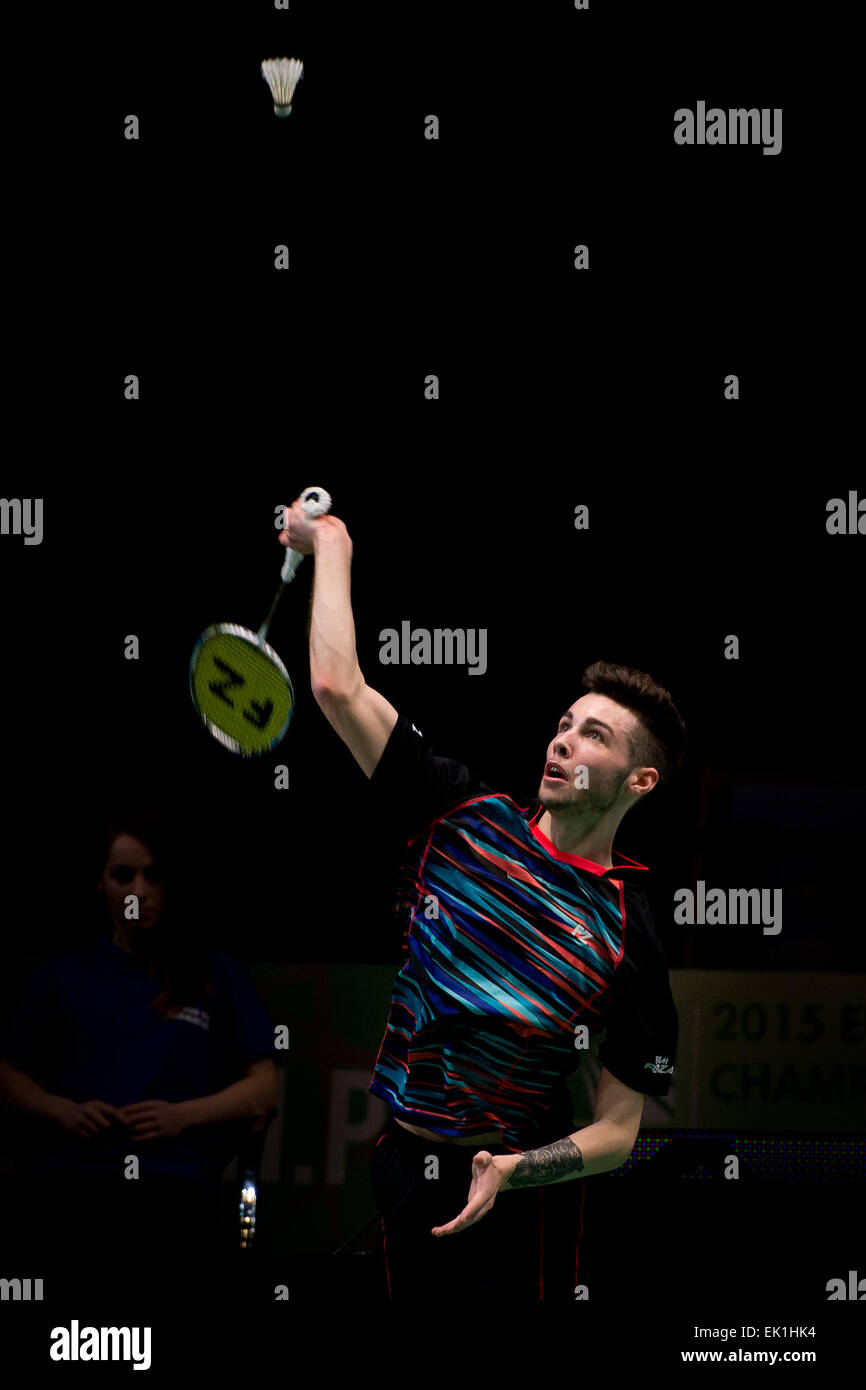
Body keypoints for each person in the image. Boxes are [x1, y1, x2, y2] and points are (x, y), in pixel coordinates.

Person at [278, 497, 686, 1302]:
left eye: (595, 735)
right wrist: (332, 544)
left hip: (520, 1185)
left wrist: (516, 1172)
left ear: (640, 781)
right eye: (565, 723)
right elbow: (335, 685)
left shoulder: (625, 931)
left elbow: (620, 1127)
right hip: (401, 1159)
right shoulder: (458, 813)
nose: (564, 739)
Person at [0, 814, 278, 1295]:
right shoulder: (62, 975)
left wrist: (181, 1117)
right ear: (100, 884)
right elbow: (8, 1076)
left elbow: (263, 1089)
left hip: (173, 1189)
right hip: (72, 1185)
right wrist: (61, 1110)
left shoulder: (216, 975)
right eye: (123, 875)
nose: (139, 890)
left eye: (154, 875)